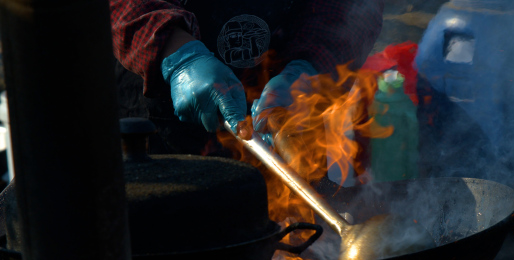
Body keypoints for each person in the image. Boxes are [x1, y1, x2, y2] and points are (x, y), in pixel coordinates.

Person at [109, 0, 384, 156]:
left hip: (277, 105)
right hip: (152, 124)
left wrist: (307, 69)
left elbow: (348, 8)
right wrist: (178, 52)